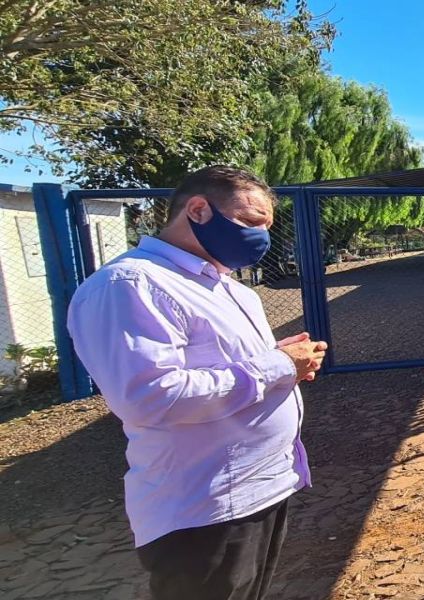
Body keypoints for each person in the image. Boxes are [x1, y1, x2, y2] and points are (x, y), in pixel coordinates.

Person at [67, 166, 328, 600]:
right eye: (250, 222)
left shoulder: (226, 286)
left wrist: (282, 361)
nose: (260, 237)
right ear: (199, 209)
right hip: (204, 508)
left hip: (261, 487)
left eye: (266, 227)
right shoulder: (130, 285)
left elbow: (230, 367)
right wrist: (279, 366)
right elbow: (151, 397)